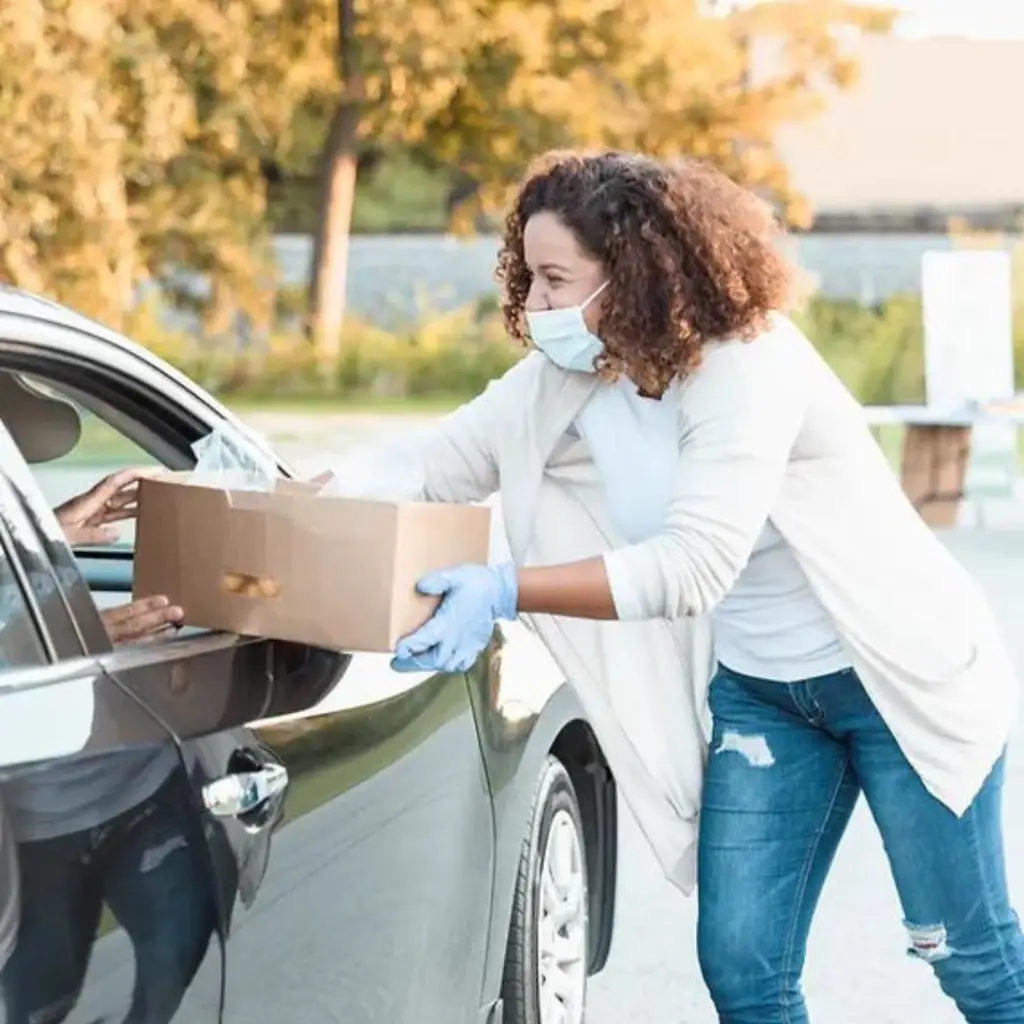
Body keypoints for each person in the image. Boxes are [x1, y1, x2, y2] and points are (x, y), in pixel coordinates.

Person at [372, 150, 1024, 1021]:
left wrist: (504, 588)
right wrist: (258, 501)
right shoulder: (570, 378)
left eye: (558, 278)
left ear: (634, 273)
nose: (535, 305)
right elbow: (426, 466)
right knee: (743, 969)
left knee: (970, 957)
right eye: (527, 277)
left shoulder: (747, 365)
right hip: (763, 694)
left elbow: (695, 564)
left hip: (892, 677)